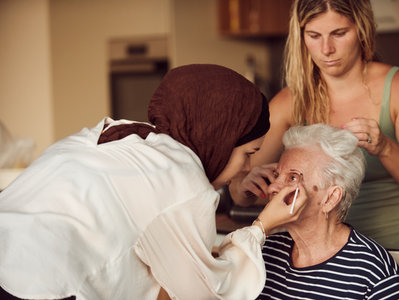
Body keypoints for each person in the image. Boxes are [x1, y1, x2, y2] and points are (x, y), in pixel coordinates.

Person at [0, 64, 305, 300]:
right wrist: (262, 226)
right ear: (221, 140)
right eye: (248, 154)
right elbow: (205, 291)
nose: (248, 166)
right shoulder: (182, 180)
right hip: (34, 285)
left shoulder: (127, 134)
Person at [229, 0, 399, 251]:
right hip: (337, 256)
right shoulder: (288, 103)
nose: (326, 49)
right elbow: (238, 191)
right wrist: (245, 185)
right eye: (314, 35)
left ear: (362, 30)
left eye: (339, 33)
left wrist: (384, 147)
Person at [256, 124, 399, 299]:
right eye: (276, 175)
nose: (273, 188)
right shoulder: (264, 251)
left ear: (330, 199)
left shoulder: (373, 273)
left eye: (292, 178)